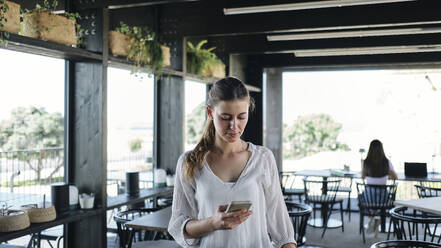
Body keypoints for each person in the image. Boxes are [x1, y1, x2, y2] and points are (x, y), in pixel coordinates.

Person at [168, 77, 296, 248]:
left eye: (241, 117)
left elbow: (283, 231)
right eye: (225, 117)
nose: (234, 126)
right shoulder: (189, 162)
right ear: (210, 113)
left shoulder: (263, 158)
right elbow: (178, 226)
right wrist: (212, 223)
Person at [361, 139, 398, 234]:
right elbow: (395, 177)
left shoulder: (365, 162)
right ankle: (376, 218)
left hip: (369, 198)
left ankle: (373, 217)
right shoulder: (386, 162)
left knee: (362, 197)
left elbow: (363, 176)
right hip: (383, 199)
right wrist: (386, 175)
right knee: (384, 200)